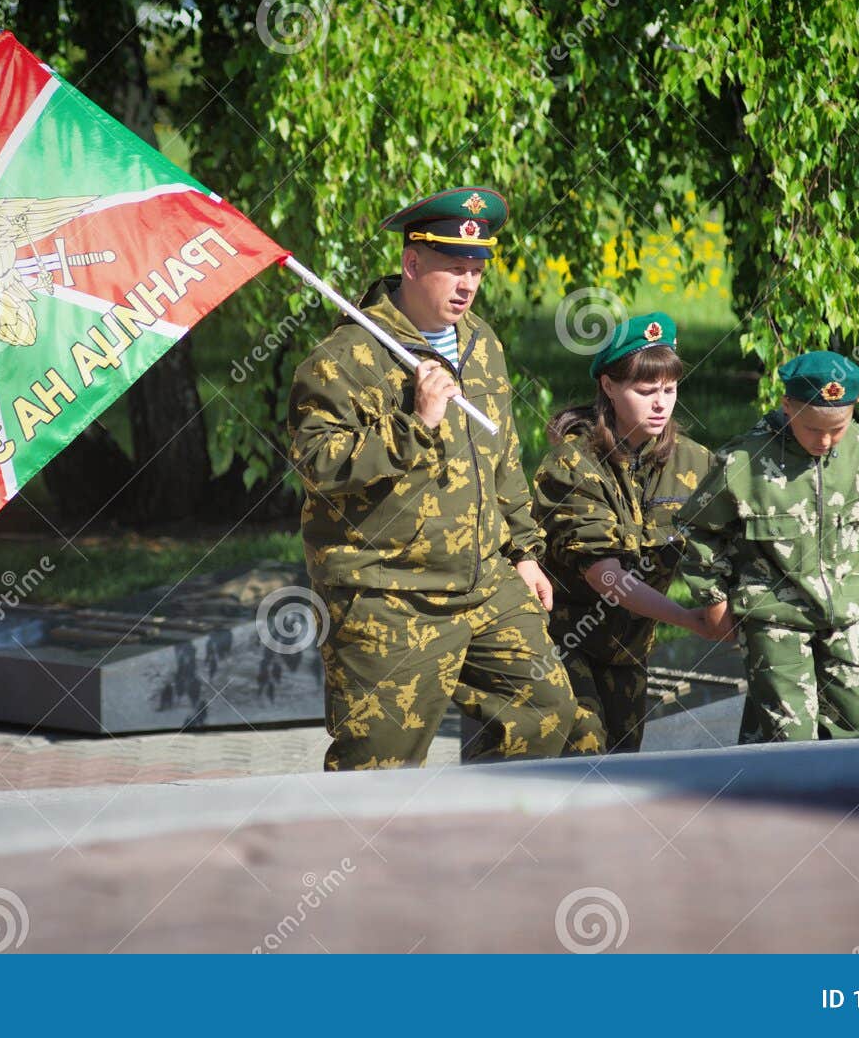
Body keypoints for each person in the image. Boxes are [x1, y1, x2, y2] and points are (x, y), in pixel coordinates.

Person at [286, 186, 577, 770]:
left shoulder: (482, 344)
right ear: (412, 263)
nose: (467, 284)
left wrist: (523, 553)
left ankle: (478, 847)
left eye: (476, 269)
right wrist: (415, 424)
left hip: (483, 582)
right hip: (389, 594)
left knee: (545, 709)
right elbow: (317, 464)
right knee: (377, 772)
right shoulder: (344, 357)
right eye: (452, 269)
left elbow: (503, 457)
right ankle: (359, 861)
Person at [674, 350, 859, 744]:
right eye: (811, 428)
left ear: (854, 408)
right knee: (791, 737)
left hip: (847, 610)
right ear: (787, 407)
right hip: (773, 614)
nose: (824, 440)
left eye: (837, 429)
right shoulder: (744, 460)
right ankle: (784, 801)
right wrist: (714, 599)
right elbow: (698, 530)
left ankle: (854, 803)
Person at [532, 312, 719, 755]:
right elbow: (605, 575)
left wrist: (722, 605)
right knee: (584, 748)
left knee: (623, 763)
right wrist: (691, 620)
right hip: (560, 641)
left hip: (629, 648)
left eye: (669, 390)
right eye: (645, 390)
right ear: (609, 387)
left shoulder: (695, 466)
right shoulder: (572, 465)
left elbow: (722, 546)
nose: (661, 404)